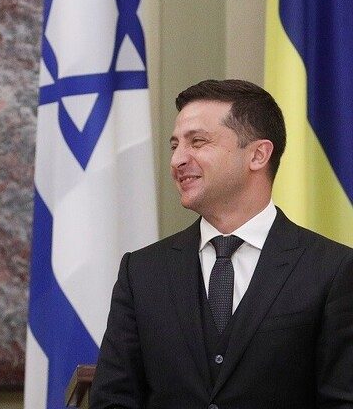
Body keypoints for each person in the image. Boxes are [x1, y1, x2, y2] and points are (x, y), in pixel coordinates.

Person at [89, 79, 353, 408]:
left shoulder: (333, 270)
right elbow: (113, 399)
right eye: (175, 146)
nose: (177, 160)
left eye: (197, 142)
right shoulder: (141, 272)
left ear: (258, 154)